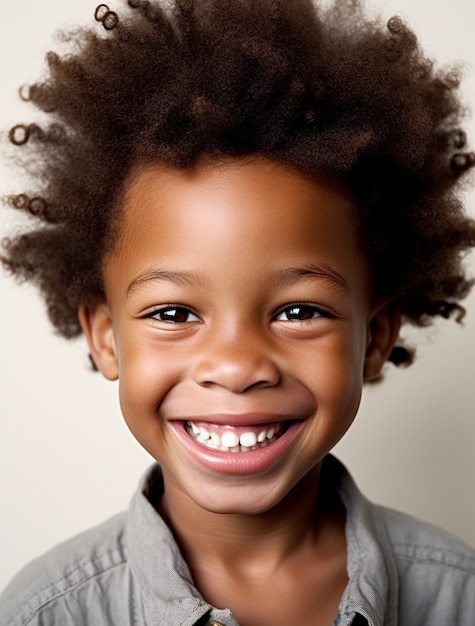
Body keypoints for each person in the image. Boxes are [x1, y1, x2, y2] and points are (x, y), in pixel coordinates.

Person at [1, 0, 475, 623]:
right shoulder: (44, 612)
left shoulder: (457, 597)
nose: (235, 366)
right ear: (106, 337)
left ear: (374, 336)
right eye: (173, 314)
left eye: (299, 310)